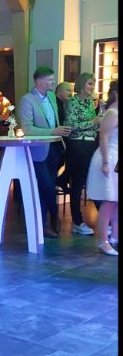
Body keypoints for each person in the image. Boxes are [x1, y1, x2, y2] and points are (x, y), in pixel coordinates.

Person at [18, 67, 72, 238]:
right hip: (38, 151)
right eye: (50, 80)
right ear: (39, 82)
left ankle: (44, 225)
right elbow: (27, 129)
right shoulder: (27, 100)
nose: (53, 82)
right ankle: (54, 216)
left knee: (47, 187)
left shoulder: (51, 97)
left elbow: (54, 121)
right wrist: (52, 131)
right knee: (47, 187)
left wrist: (59, 132)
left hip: (54, 149)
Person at [64, 72, 101, 235]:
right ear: (81, 84)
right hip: (78, 145)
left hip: (90, 144)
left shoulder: (89, 103)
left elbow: (92, 125)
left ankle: (105, 219)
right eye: (89, 84)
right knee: (78, 183)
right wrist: (93, 122)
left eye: (93, 84)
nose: (92, 87)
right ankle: (77, 221)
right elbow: (71, 125)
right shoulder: (73, 102)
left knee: (91, 180)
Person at [86, 80, 118, 256]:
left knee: (115, 199)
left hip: (115, 156)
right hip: (109, 156)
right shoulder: (112, 112)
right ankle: (103, 241)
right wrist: (106, 162)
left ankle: (115, 236)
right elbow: (104, 138)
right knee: (109, 200)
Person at [54, 81, 73, 192]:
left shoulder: (63, 104)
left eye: (72, 91)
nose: (71, 93)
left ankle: (60, 180)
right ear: (59, 91)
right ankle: (59, 180)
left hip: (62, 137)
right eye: (68, 90)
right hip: (56, 138)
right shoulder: (55, 104)